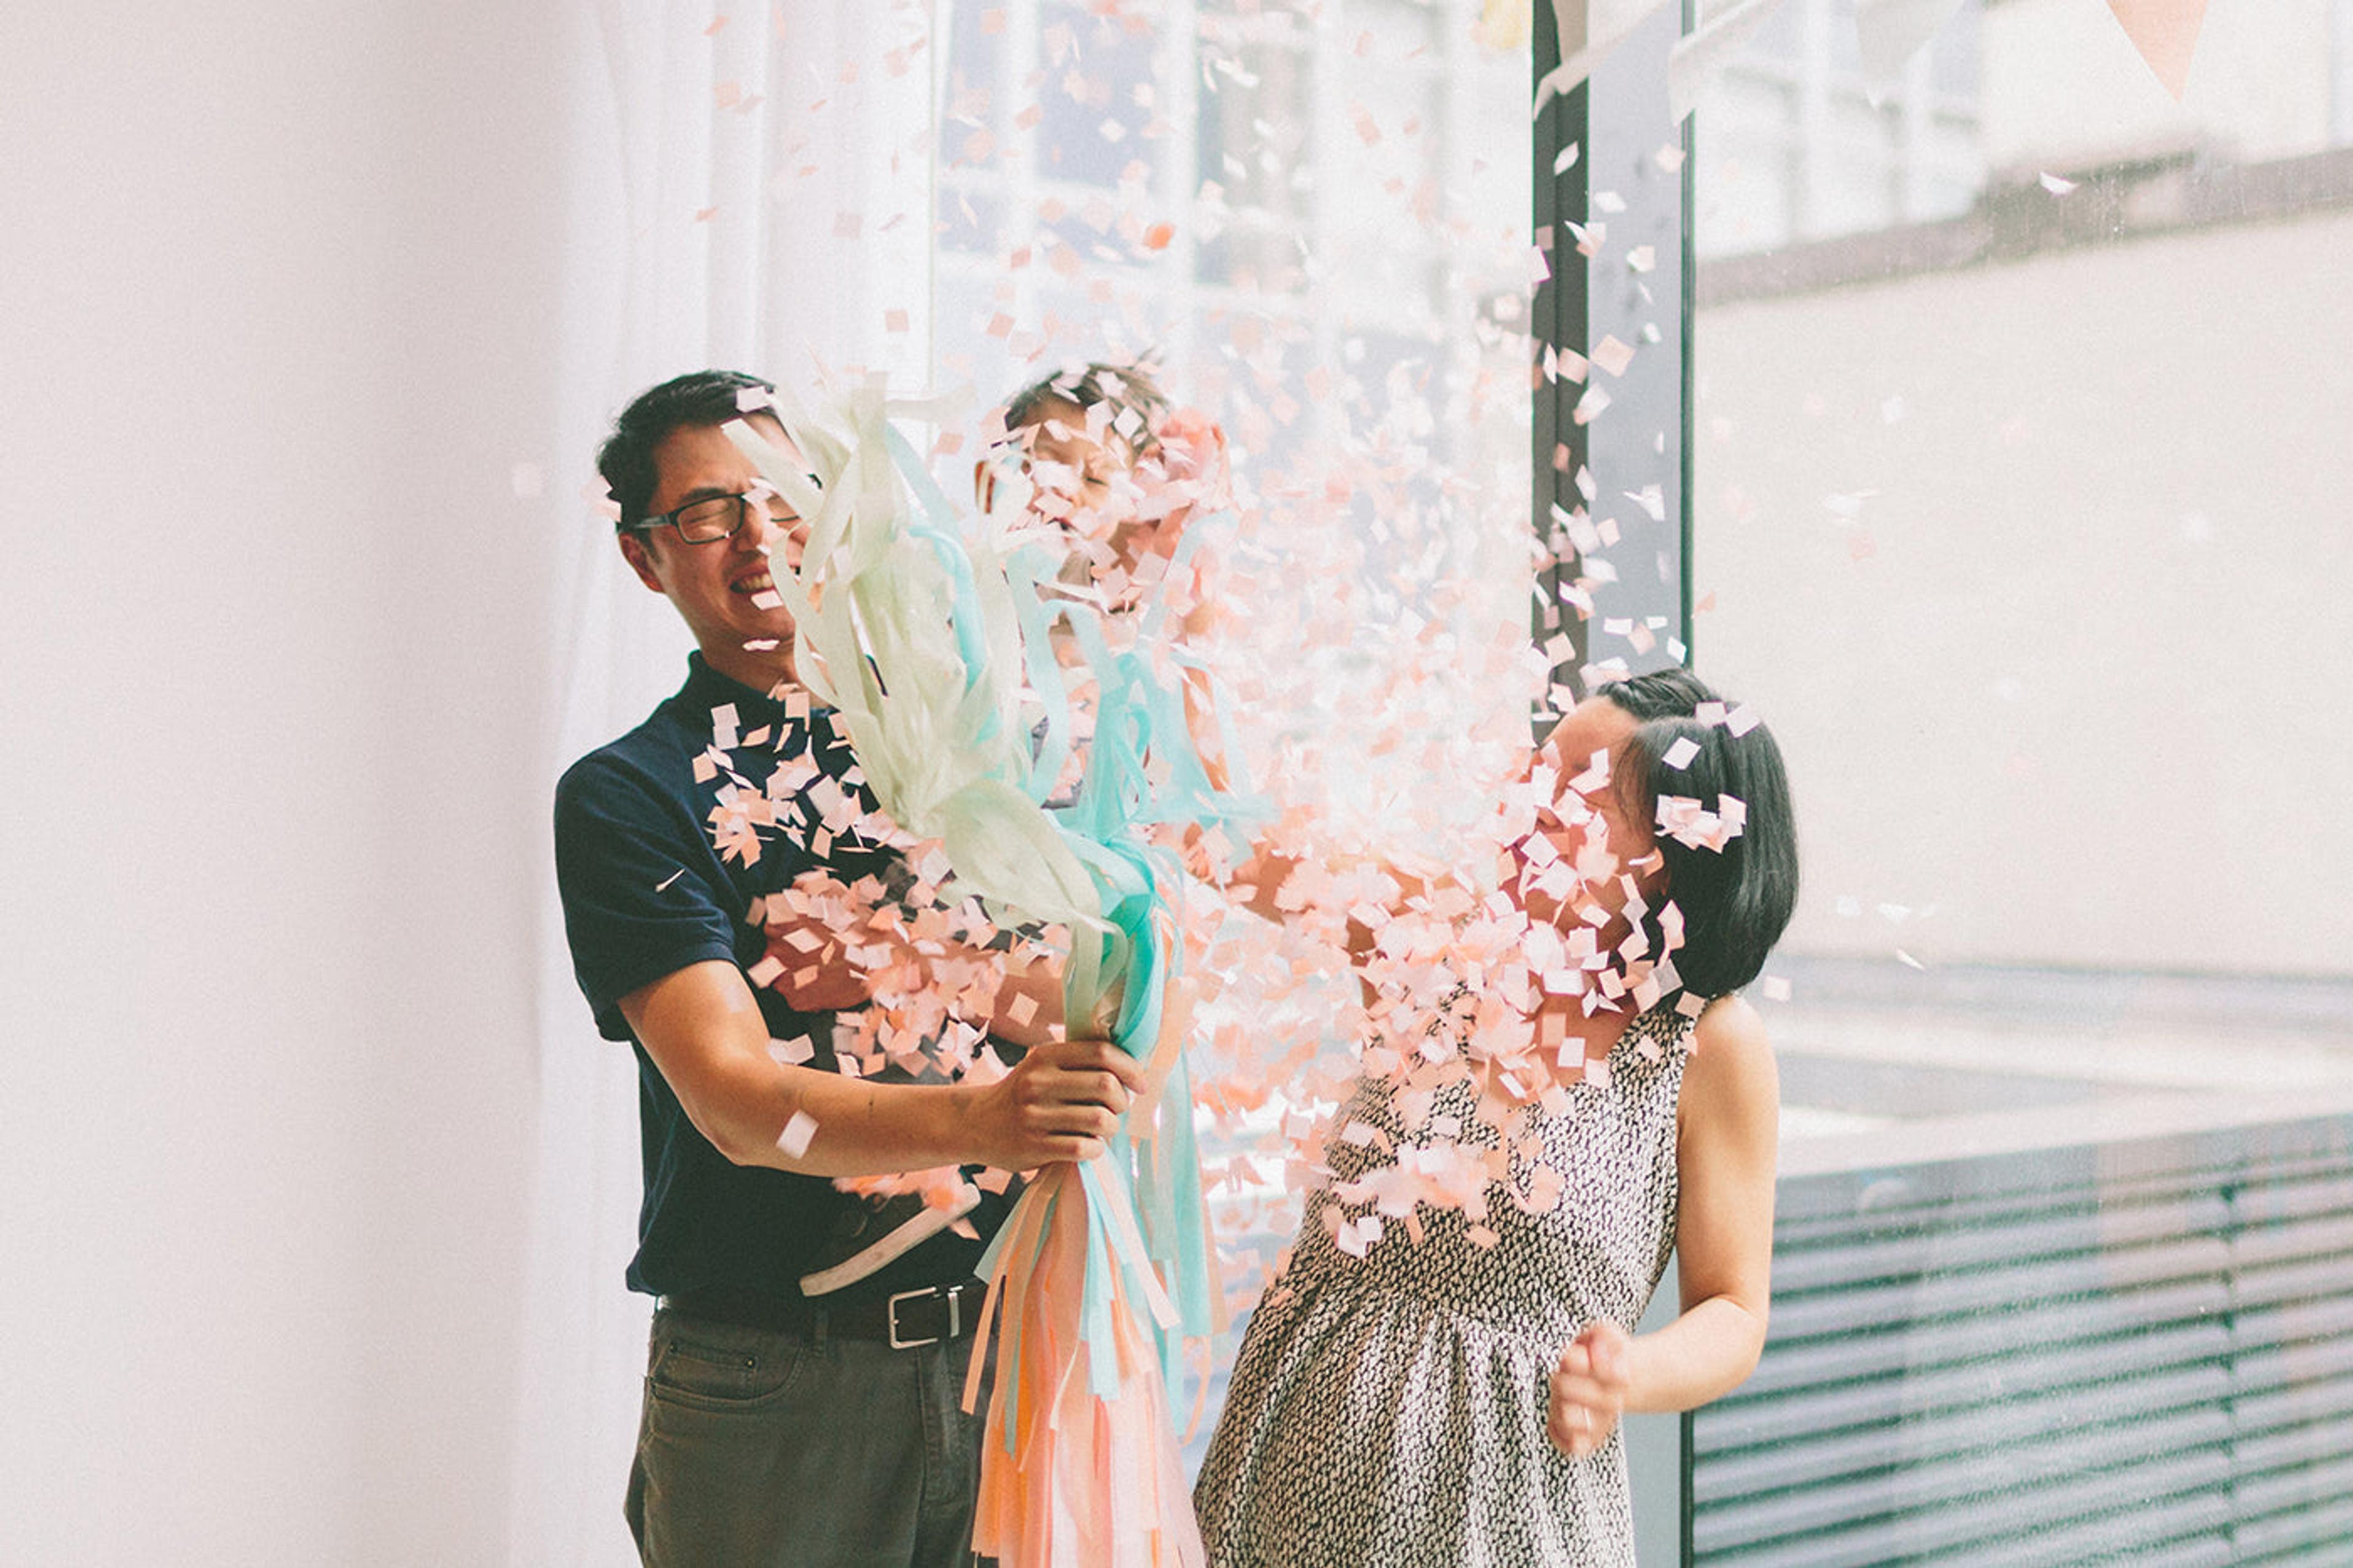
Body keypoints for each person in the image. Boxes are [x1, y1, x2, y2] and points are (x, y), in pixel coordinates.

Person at [553, 369, 1143, 1567]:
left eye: (789, 498)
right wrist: (986, 1109)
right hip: (773, 1381)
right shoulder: (632, 793)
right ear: (642, 556)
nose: (760, 537)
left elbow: (1086, 983)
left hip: (1001, 1351)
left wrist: (899, 959)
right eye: (709, 513)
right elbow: (734, 1097)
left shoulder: (957, 739)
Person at [1192, 665, 1798, 1567]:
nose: (1523, 807)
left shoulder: (1709, 1047)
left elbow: (1735, 1312)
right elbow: (1228, 837)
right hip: (1279, 1494)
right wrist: (1177, 600)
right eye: (1533, 775)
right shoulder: (1432, 936)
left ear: (1666, 853)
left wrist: (1628, 1373)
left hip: (1510, 1525)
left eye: (1567, 801)